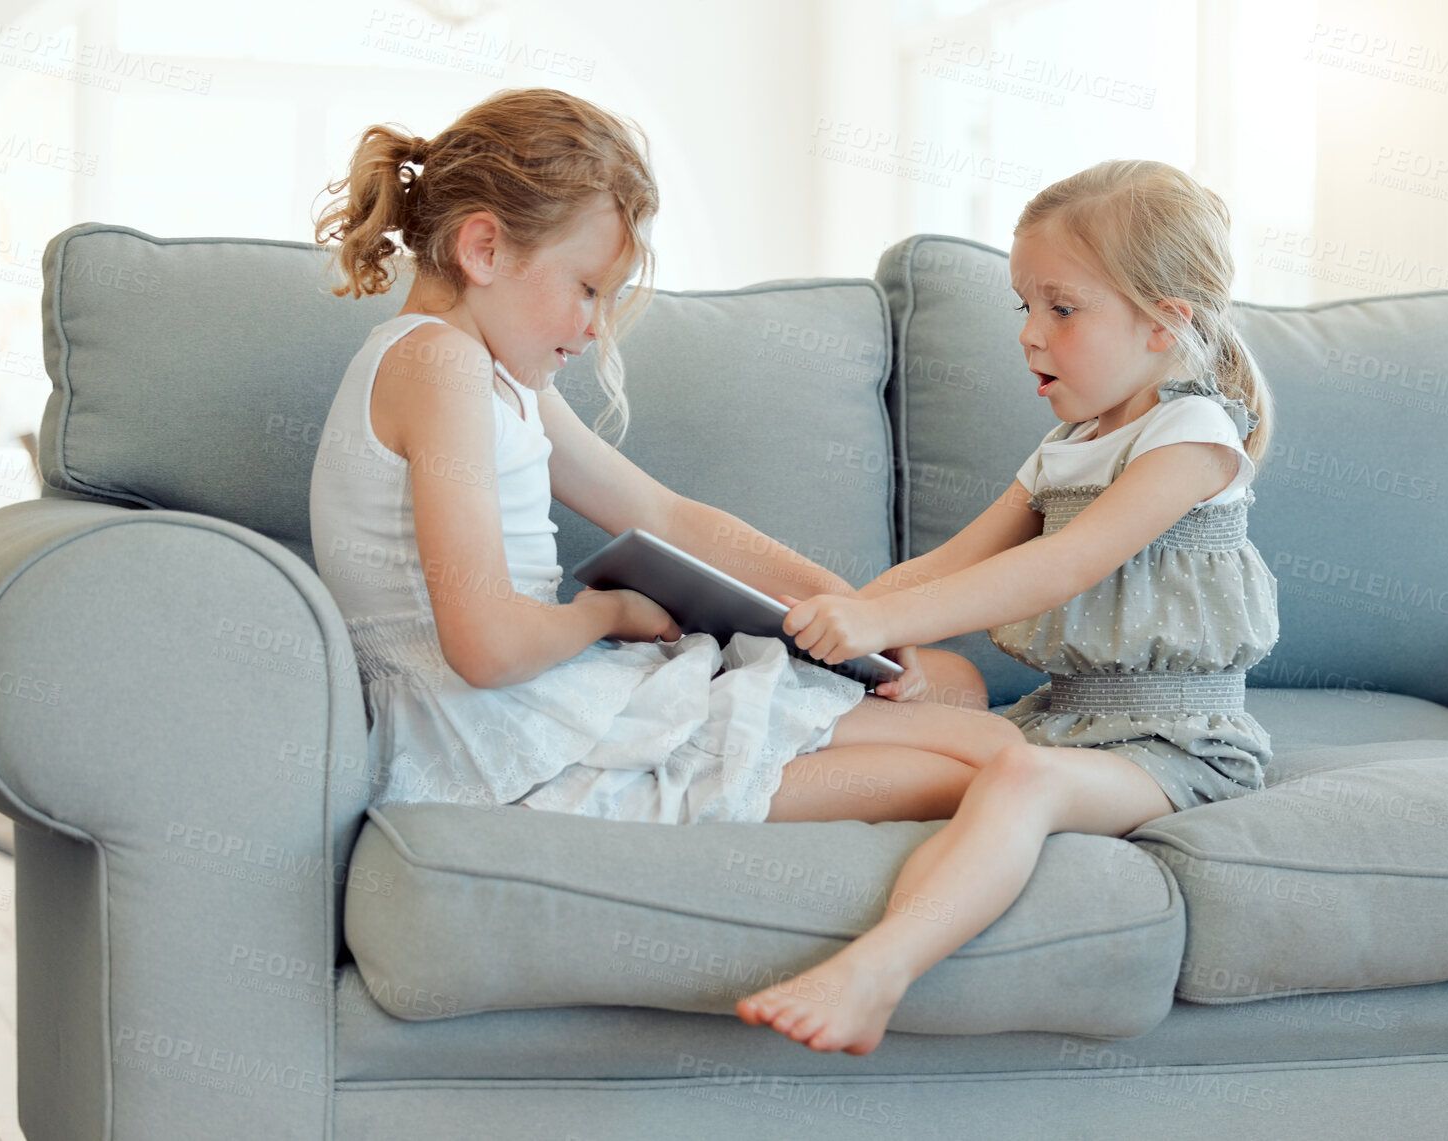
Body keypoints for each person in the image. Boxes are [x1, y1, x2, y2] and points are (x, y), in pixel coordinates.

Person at [308, 87, 1023, 829]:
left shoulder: (492, 374)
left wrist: (856, 610)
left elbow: (662, 514)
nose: (592, 328)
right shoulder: (439, 366)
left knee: (958, 686)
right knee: (991, 754)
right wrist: (610, 611)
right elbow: (487, 649)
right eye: (587, 288)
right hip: (497, 742)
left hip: (538, 706)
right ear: (483, 249)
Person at [735, 159, 1280, 1054]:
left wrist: (880, 623)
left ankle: (875, 973)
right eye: (1023, 307)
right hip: (1061, 720)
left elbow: (1059, 567)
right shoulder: (1068, 443)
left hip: (1175, 747)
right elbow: (949, 563)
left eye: (1060, 308)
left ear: (1162, 323)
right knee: (911, 691)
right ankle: (675, 774)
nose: (1030, 335)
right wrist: (799, 625)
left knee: (1017, 778)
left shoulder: (1193, 436)